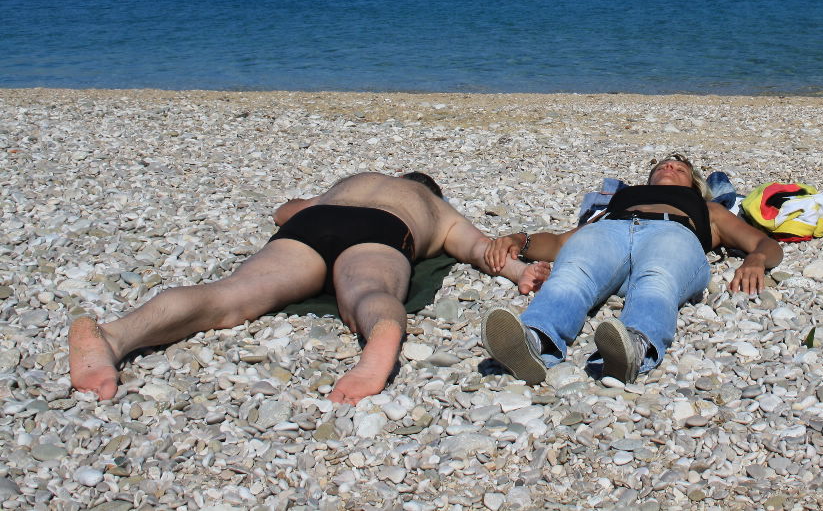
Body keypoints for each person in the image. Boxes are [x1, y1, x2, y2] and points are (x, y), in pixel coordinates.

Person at [70, 171, 549, 403]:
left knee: (227, 296)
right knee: (368, 293)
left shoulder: (354, 180)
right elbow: (483, 250)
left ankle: (113, 336)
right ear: (431, 189)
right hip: (383, 228)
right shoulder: (435, 207)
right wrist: (518, 274)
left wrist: (312, 204)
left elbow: (285, 212)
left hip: (317, 219)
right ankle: (379, 332)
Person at [481, 154, 784, 384]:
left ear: (694, 186)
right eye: (663, 166)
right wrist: (521, 240)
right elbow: (560, 243)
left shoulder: (708, 209)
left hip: (673, 232)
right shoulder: (615, 205)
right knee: (572, 273)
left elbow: (765, 244)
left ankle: (634, 346)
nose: (670, 167)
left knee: (658, 281)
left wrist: (756, 258)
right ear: (649, 179)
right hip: (610, 230)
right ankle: (534, 339)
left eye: (680, 169)